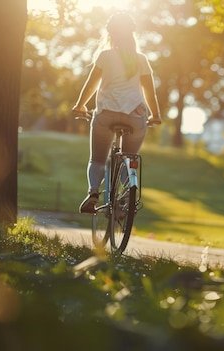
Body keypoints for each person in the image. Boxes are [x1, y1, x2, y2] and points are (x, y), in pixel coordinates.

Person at [73, 13, 162, 214]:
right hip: (135, 115)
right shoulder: (141, 59)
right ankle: (126, 195)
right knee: (129, 156)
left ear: (110, 34)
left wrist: (80, 105)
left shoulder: (105, 56)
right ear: (132, 34)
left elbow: (91, 85)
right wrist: (155, 115)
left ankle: (94, 192)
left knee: (97, 160)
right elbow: (150, 91)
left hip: (106, 114)